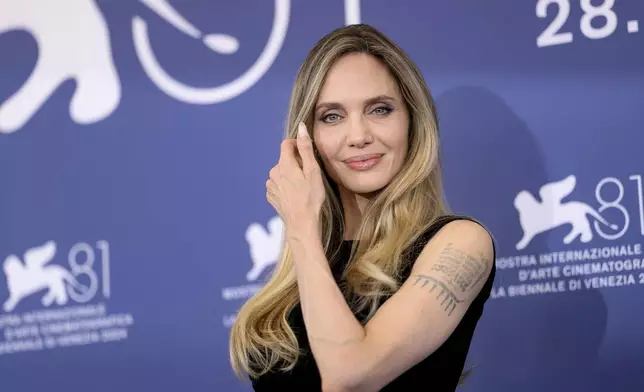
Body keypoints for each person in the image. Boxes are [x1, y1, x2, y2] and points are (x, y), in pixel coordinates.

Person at [229, 23, 496, 391]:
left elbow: (349, 377)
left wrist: (302, 226)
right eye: (332, 117)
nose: (358, 136)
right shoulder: (301, 273)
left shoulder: (461, 243)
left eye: (380, 109)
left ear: (413, 122)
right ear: (307, 138)